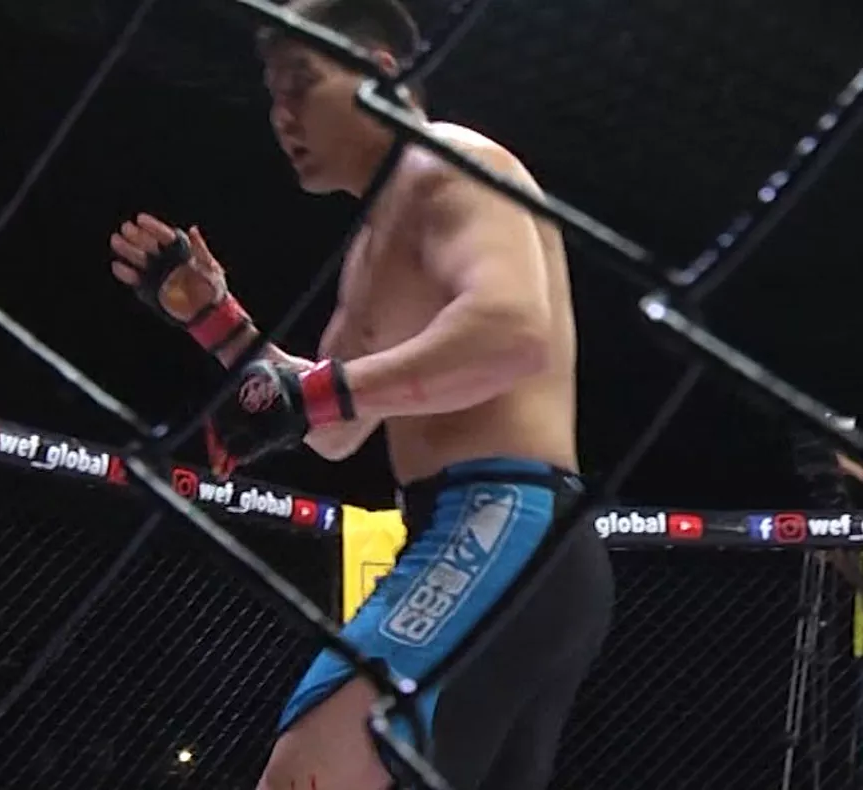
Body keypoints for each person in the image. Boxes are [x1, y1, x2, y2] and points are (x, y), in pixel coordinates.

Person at [108, 0, 614, 788]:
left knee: (302, 779)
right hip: (508, 540)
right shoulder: (375, 241)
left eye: (300, 85)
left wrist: (311, 395)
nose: (282, 116)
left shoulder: (447, 161)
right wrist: (217, 320)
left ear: (379, 71)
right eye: (272, 95)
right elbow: (335, 427)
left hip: (498, 524)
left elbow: (513, 332)